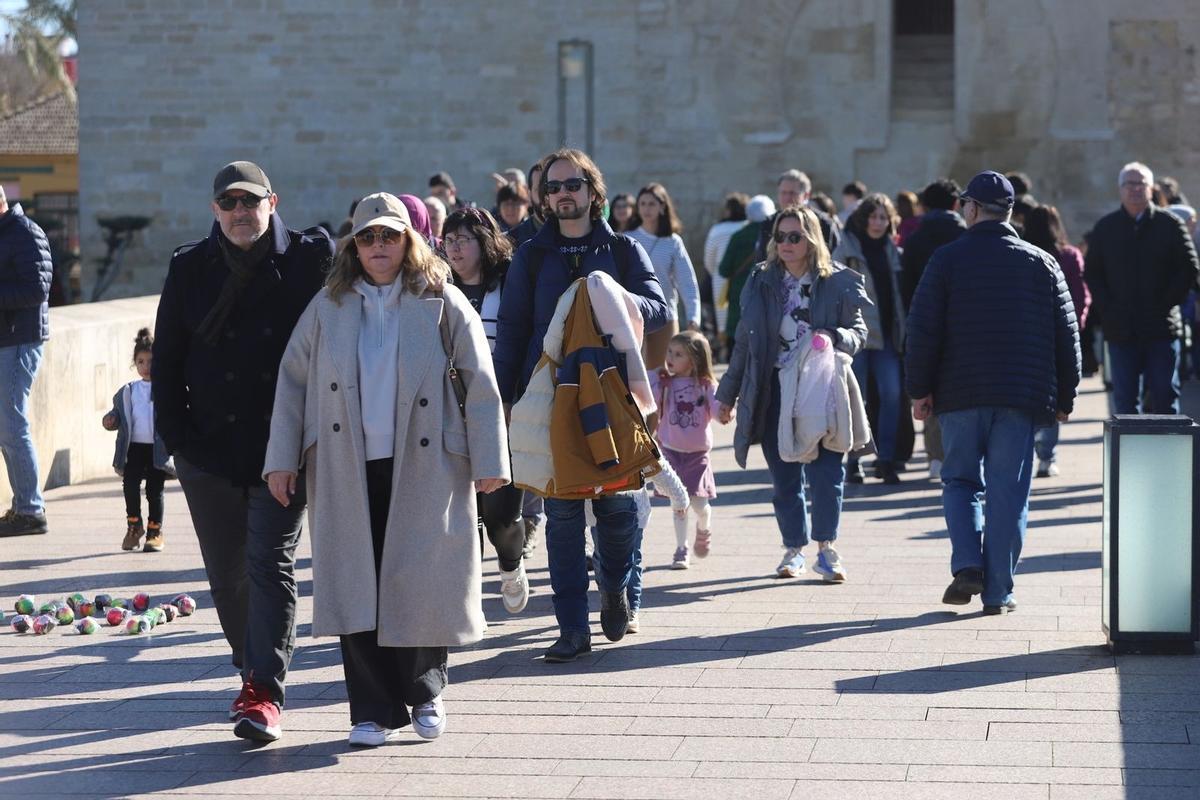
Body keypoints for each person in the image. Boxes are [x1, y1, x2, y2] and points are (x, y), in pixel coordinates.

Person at [264, 192, 508, 747]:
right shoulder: (328, 305)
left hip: (426, 462)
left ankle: (425, 691)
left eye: (389, 236)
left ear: (408, 241)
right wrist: (281, 460)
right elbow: (292, 383)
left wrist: (491, 460)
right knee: (356, 583)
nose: (379, 246)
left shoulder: (442, 301)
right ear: (354, 245)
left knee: (420, 581)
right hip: (345, 463)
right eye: (368, 237)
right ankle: (370, 709)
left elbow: (480, 381)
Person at [152, 160, 333, 742]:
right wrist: (178, 443)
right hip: (207, 450)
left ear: (272, 203)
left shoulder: (309, 259)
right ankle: (250, 665)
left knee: (269, 563)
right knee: (227, 574)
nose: (240, 213)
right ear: (215, 210)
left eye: (250, 202)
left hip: (281, 447)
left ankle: (263, 690)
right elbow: (169, 360)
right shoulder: (188, 266)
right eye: (228, 203)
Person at [493, 147, 668, 663]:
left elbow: (658, 309)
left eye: (572, 184)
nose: (562, 193)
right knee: (564, 518)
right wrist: (506, 398)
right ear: (544, 198)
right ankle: (572, 629)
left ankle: (614, 585)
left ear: (594, 192)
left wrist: (617, 299)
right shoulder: (531, 254)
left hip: (611, 396)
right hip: (551, 399)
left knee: (616, 512)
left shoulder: (623, 251)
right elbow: (514, 330)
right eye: (552, 187)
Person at [905, 171, 1081, 615]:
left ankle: (967, 563)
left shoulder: (946, 260)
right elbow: (1067, 333)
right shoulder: (1041, 262)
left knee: (961, 480)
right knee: (1008, 493)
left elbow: (923, 330)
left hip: (960, 392)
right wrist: (1066, 396)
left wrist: (919, 390)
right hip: (1021, 396)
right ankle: (999, 591)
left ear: (970, 208)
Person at [716, 205, 868, 582]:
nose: (785, 243)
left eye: (795, 236)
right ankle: (793, 549)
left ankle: (827, 548)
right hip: (773, 388)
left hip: (821, 388)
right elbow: (744, 344)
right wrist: (726, 395)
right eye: (780, 236)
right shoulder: (761, 279)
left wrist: (834, 337)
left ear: (811, 239)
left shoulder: (836, 281)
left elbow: (859, 331)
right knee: (784, 477)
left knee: (827, 472)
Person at [443, 206, 531, 613]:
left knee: (500, 516)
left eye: (464, 240)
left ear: (485, 242)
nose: (455, 249)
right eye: (449, 241)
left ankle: (511, 564)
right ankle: (466, 597)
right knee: (461, 516)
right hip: (452, 417)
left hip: (503, 414)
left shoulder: (509, 284)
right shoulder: (439, 289)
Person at [1084, 162, 1200, 414]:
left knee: (1165, 398)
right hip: (1121, 330)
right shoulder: (1106, 228)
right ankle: (1129, 455)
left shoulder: (1170, 225)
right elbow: (1093, 272)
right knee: (1125, 403)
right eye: (1129, 184)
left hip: (1162, 327)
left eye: (1141, 184)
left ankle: (1166, 453)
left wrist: (1166, 303)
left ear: (1151, 189)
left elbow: (1189, 268)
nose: (1135, 189)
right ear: (1120, 189)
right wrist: (1108, 309)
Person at [833, 193, 907, 485]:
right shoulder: (846, 250)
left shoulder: (893, 250)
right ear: (864, 219)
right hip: (857, 337)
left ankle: (885, 458)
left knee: (892, 394)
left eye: (883, 217)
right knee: (856, 399)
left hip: (887, 335)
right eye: (873, 216)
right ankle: (854, 459)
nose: (878, 223)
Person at [899, 178, 965, 480]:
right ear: (956, 204)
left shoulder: (915, 240)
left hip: (925, 323)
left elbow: (907, 288)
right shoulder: (965, 235)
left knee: (928, 388)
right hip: (962, 325)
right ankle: (957, 453)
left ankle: (935, 456)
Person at [0, 185, 51, 538]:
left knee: (12, 424)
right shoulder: (8, 233)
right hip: (9, 338)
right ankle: (23, 507)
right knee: (7, 426)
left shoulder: (24, 232)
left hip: (19, 340)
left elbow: (37, 289)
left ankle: (30, 510)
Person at [1025, 205, 1091, 477]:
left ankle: (1027, 450)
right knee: (1053, 397)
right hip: (1056, 334)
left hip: (1027, 336)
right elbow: (1079, 295)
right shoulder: (1068, 255)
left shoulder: (1022, 255)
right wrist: (1076, 326)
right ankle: (1047, 457)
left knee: (1025, 395)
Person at [651, 330, 719, 569]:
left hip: (697, 455)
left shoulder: (706, 385)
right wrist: (655, 380)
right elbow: (648, 397)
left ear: (695, 359)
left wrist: (726, 408)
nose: (670, 357)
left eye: (678, 354)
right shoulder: (666, 383)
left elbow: (719, 410)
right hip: (670, 451)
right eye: (670, 351)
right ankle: (682, 549)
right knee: (679, 503)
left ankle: (704, 525)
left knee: (699, 506)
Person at [101, 328, 173, 552]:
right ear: (135, 363)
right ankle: (134, 526)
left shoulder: (166, 388)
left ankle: (155, 531)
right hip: (133, 449)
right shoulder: (128, 391)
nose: (146, 366)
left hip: (157, 450)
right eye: (141, 361)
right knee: (129, 485)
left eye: (151, 361)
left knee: (154, 490)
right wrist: (110, 420)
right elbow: (117, 415)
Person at [628, 182, 701, 370]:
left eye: (651, 204)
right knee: (633, 374)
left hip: (664, 316)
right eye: (642, 204)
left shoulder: (673, 242)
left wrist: (693, 317)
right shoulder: (627, 238)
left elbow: (687, 282)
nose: (646, 209)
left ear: (662, 206)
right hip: (632, 314)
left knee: (663, 373)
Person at [719, 195, 775, 350]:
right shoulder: (776, 235)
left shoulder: (738, 236)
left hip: (739, 292)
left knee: (736, 336)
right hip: (766, 293)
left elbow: (723, 269)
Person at [755, 170, 841, 264]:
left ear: (806, 195)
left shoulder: (824, 223)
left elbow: (835, 258)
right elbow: (762, 258)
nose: (787, 198)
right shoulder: (769, 223)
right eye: (783, 193)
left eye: (792, 193)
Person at [704, 193, 749, 357]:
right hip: (746, 277)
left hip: (721, 279)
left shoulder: (717, 230)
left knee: (724, 319)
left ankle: (728, 351)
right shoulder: (748, 227)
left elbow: (709, 258)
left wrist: (716, 274)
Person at [507, 159, 545, 248]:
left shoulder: (579, 237)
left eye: (554, 187)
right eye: (541, 189)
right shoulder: (510, 243)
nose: (548, 195)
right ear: (529, 195)